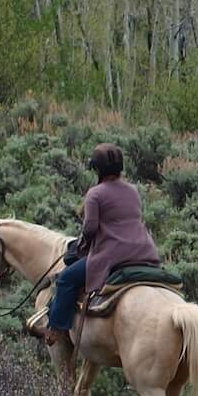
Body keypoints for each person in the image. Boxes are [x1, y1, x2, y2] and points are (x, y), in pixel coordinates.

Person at [37, 143, 162, 348]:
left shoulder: (95, 194)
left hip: (112, 256)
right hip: (143, 252)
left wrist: (80, 246)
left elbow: (90, 229)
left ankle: (56, 328)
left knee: (66, 279)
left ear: (97, 169)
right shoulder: (133, 191)